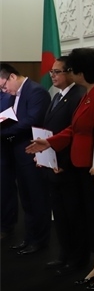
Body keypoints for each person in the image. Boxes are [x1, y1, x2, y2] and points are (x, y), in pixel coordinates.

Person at [26, 48, 94, 288]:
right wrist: (49, 142)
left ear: (80, 72)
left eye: (69, 69)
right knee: (93, 218)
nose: (67, 73)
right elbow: (74, 129)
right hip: (82, 167)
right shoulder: (90, 94)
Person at [39, 56, 88, 276]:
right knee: (60, 215)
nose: (53, 76)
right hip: (52, 163)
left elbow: (76, 134)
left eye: (57, 72)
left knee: (74, 216)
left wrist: (64, 163)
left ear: (70, 72)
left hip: (68, 167)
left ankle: (78, 258)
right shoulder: (57, 96)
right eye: (51, 72)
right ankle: (64, 254)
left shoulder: (78, 96)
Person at [0, 63, 51, 255]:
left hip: (33, 152)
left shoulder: (36, 91)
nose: (4, 91)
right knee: (27, 200)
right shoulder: (16, 94)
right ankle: (29, 238)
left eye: (4, 86)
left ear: (12, 76)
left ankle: (40, 240)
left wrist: (3, 133)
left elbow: (31, 120)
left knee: (38, 198)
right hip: (19, 153)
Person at [0, 89, 18, 240]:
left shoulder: (7, 98)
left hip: (3, 152)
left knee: (4, 190)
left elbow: (10, 120)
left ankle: (5, 226)